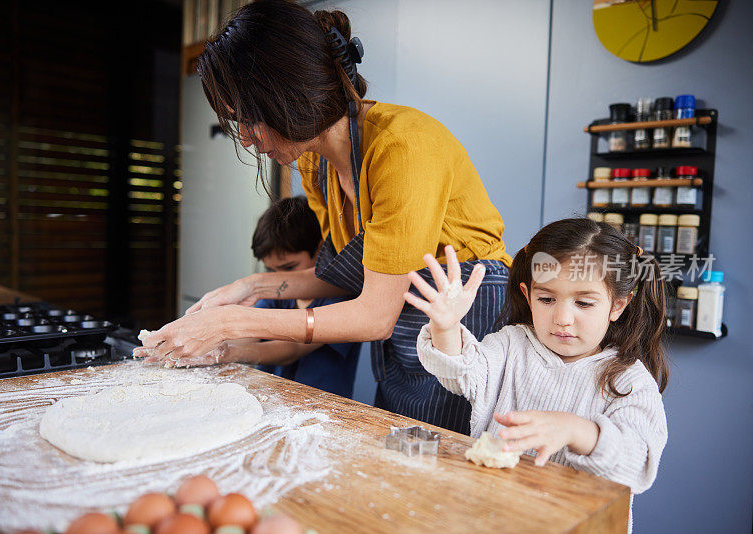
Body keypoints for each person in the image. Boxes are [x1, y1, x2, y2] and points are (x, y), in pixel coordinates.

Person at [135, 0, 511, 434]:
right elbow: (350, 277)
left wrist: (229, 324)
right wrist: (248, 286)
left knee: (452, 465)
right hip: (405, 327)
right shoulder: (316, 164)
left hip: (466, 325)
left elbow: (374, 315)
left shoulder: (402, 148)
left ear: (288, 95)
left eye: (248, 118)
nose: (246, 138)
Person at [407, 218, 668, 529]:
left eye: (584, 303)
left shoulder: (629, 381)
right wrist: (445, 327)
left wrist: (575, 431)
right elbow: (460, 371)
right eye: (547, 299)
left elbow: (637, 462)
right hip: (492, 517)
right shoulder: (512, 345)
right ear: (527, 295)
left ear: (618, 305)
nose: (563, 318)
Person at [170, 197, 363, 398]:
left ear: (322, 251)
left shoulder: (343, 297)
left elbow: (293, 348)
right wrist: (211, 344)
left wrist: (230, 353)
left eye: (289, 267)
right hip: (270, 399)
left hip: (323, 408)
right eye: (271, 270)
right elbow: (247, 333)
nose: (278, 278)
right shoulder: (277, 296)